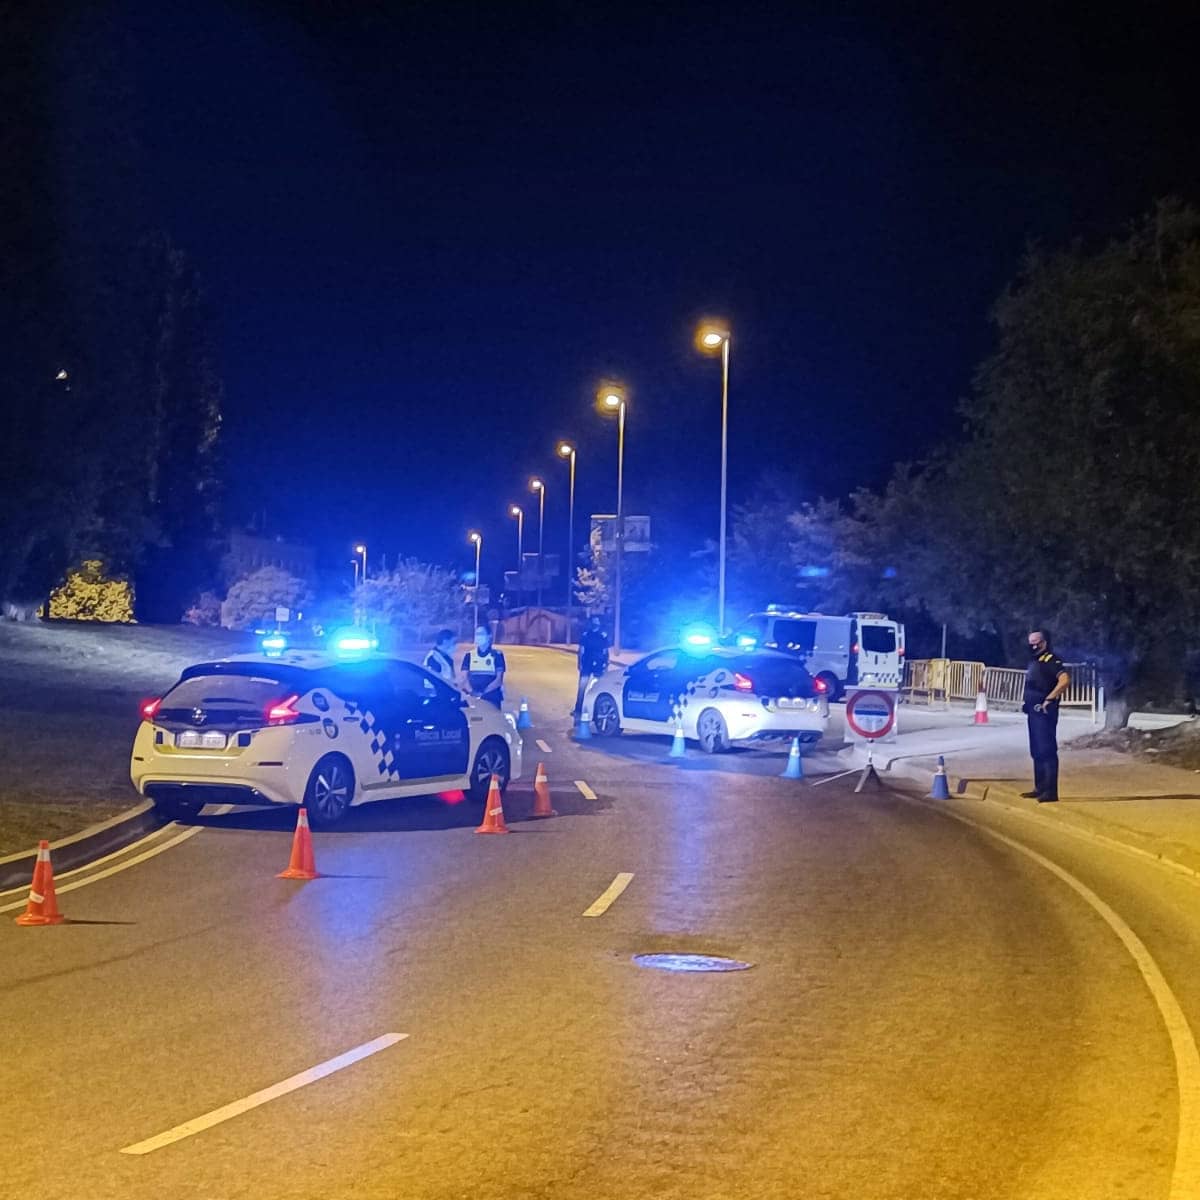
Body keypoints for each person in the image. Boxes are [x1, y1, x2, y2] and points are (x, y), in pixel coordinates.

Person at [1022, 628, 1070, 803]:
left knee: (1047, 751)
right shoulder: (1035, 660)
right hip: (1033, 713)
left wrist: (1049, 699)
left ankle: (1051, 792)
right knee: (1036, 751)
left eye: (1036, 642)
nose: (1032, 645)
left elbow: (1064, 680)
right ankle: (1040, 787)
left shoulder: (1051, 660)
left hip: (1044, 713)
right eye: (1030, 642)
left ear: (1044, 642)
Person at [573, 615, 610, 718]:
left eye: (596, 622)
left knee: (598, 688)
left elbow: (605, 651)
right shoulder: (586, 635)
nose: (595, 624)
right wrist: (579, 662)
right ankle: (578, 709)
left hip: (598, 664)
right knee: (582, 688)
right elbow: (581, 650)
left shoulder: (603, 636)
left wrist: (606, 664)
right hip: (587, 664)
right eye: (593, 622)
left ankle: (595, 710)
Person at [461, 623, 506, 707]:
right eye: (477, 634)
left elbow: (499, 679)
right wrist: (472, 692)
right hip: (472, 698)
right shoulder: (469, 655)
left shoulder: (497, 655)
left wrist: (483, 694)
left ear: (489, 636)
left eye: (481, 634)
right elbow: (464, 677)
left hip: (492, 698)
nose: (478, 637)